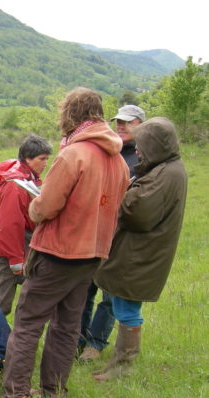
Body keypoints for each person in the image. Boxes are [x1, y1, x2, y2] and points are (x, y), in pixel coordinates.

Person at [0, 87, 129, 398]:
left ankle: (15, 397)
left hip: (59, 252)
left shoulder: (74, 155)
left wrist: (35, 207)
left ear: (70, 114)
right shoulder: (118, 159)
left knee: (27, 323)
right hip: (92, 253)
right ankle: (54, 391)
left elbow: (47, 207)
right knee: (68, 325)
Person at [93, 117, 188, 381]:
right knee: (123, 304)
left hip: (140, 253)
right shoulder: (166, 168)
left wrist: (121, 195)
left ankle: (123, 366)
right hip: (142, 250)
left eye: (142, 145)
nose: (137, 150)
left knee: (126, 308)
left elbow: (138, 214)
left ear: (156, 145)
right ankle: (117, 364)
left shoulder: (166, 174)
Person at [78, 104, 146, 362]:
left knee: (110, 294)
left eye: (127, 122)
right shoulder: (107, 152)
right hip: (94, 231)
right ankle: (77, 340)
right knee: (84, 289)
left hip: (119, 238)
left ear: (141, 124)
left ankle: (95, 344)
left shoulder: (142, 160)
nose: (120, 126)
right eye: (118, 121)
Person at [0, 135, 53, 316]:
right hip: (5, 250)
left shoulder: (28, 178)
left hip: (19, 245)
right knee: (1, 304)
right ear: (28, 158)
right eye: (42, 159)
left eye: (47, 158)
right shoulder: (15, 185)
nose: (46, 163)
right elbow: (10, 225)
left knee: (34, 291)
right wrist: (15, 261)